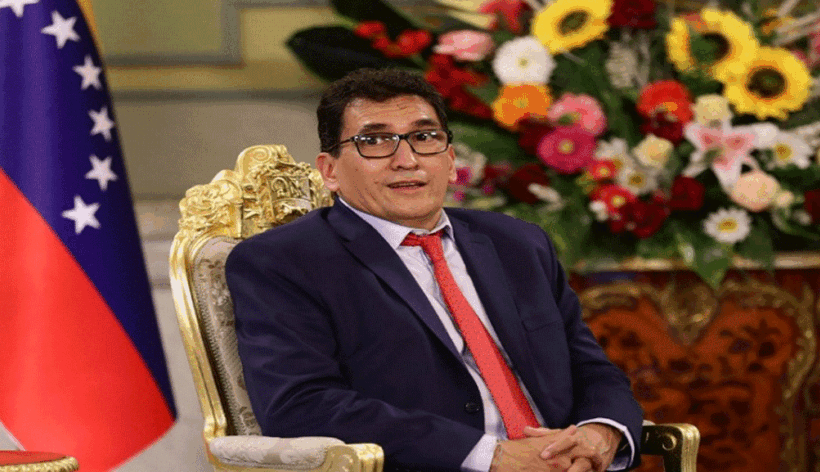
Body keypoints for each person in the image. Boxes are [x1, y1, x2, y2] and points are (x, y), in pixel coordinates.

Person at [226, 68, 643, 472]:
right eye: (375, 141)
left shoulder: (518, 243)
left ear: (450, 159)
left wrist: (600, 432)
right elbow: (300, 405)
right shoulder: (283, 262)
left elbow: (591, 369)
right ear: (330, 170)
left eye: (425, 138)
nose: (407, 160)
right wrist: (490, 456)